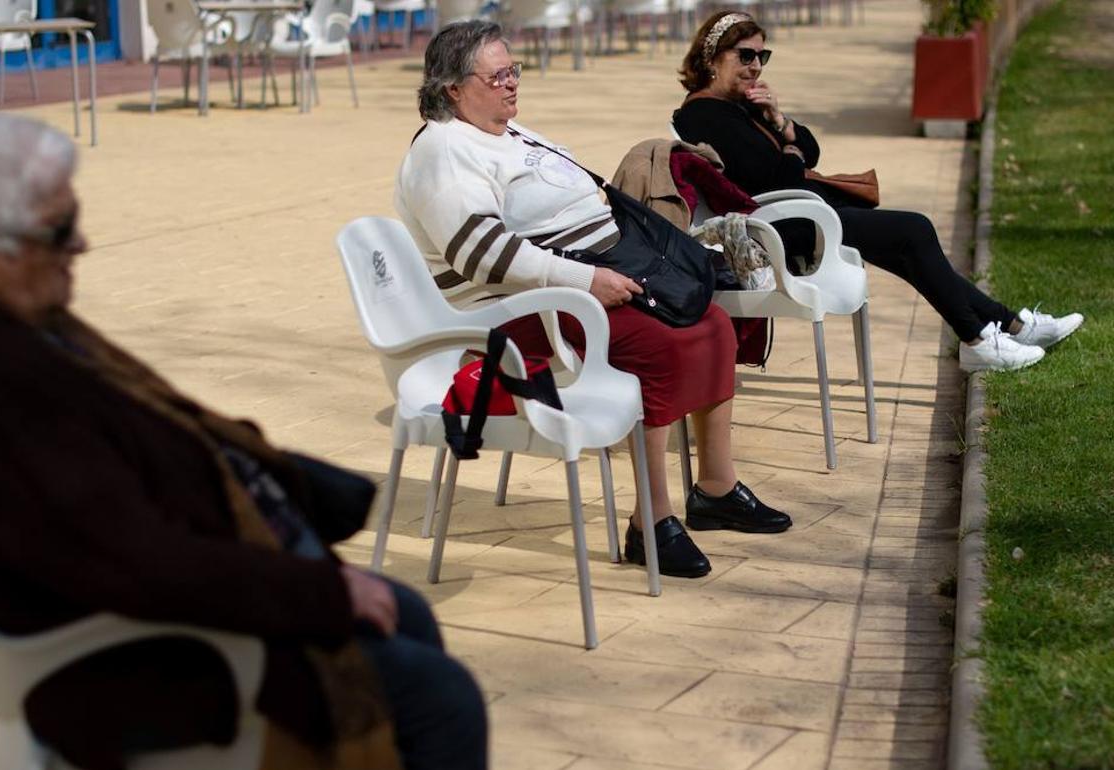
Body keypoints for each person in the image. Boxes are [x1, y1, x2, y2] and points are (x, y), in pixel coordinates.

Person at [0, 111, 486, 770]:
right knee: (442, 699)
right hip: (125, 656)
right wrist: (319, 595)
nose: (79, 244)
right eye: (58, 230)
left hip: (159, 593)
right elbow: (129, 557)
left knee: (407, 614)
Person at [395, 21, 794, 581]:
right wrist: (586, 281)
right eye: (498, 75)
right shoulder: (444, 150)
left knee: (712, 322)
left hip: (587, 275)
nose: (513, 84)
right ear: (454, 88)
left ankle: (715, 488)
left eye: (515, 71)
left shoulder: (505, 132)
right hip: (517, 310)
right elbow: (482, 256)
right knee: (661, 344)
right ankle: (650, 522)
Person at [672, 11, 1084, 372]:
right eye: (746, 55)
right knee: (914, 230)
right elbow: (783, 178)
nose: (756, 66)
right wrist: (791, 150)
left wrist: (781, 121)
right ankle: (979, 338)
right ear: (712, 58)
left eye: (763, 56)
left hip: (802, 212)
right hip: (778, 227)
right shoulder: (704, 114)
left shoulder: (741, 104)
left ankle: (1008, 326)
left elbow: (809, 150)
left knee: (910, 249)